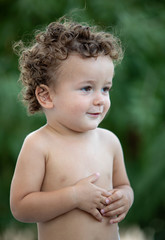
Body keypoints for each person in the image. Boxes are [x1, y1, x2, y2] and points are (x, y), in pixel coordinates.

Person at [10, 18, 134, 240]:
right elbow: (21, 207)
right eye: (87, 88)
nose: (100, 99)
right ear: (46, 96)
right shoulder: (39, 144)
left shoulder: (109, 141)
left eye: (105, 88)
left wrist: (124, 198)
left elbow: (124, 185)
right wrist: (75, 196)